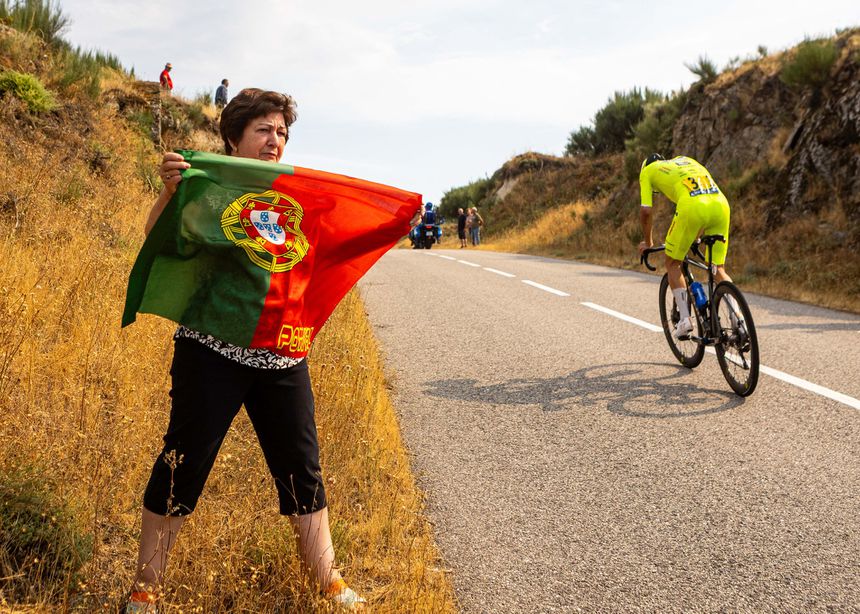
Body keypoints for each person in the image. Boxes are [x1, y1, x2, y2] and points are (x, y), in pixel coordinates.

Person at [126, 88, 388, 613]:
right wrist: (172, 191)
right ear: (233, 137)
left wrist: (390, 216)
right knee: (182, 464)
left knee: (301, 469)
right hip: (211, 350)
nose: (275, 140)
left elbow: (336, 240)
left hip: (282, 356)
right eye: (264, 130)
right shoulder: (209, 187)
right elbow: (158, 237)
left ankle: (328, 581)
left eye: (282, 132)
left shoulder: (296, 194)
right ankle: (146, 588)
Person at [637, 153, 734, 339]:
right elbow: (700, 194)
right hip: (720, 205)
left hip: (692, 208)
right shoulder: (685, 160)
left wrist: (648, 243)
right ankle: (738, 319)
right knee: (718, 269)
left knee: (673, 263)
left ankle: (685, 320)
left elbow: (646, 211)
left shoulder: (647, 171)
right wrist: (695, 236)